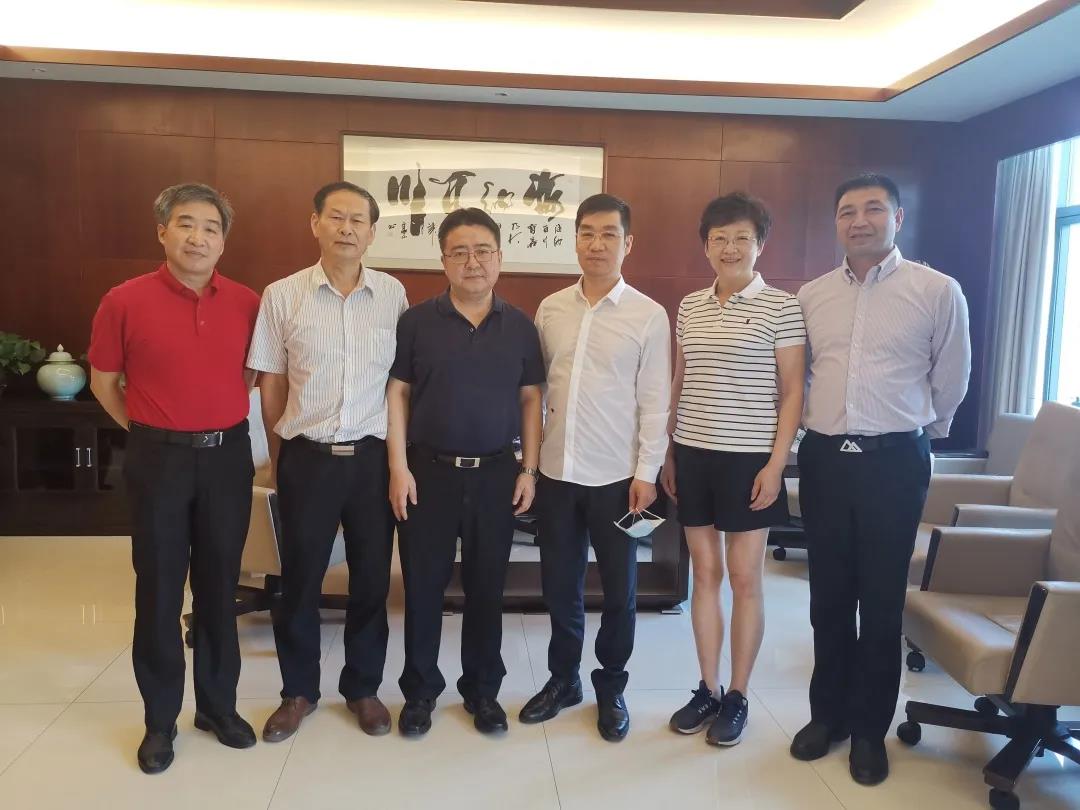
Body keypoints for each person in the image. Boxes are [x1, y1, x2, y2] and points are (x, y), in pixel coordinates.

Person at [789, 173, 971, 785]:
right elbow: (801, 376)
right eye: (847, 211)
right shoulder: (811, 296)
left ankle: (870, 730)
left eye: (873, 209)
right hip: (824, 460)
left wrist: (916, 432)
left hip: (894, 461)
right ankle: (828, 716)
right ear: (835, 222)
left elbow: (952, 377)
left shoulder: (936, 290)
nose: (859, 220)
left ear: (898, 218)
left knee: (882, 600)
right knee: (828, 599)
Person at [88, 183, 261, 774]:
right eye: (186, 224)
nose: (198, 237)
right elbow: (104, 382)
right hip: (157, 459)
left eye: (211, 228)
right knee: (159, 588)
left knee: (219, 585)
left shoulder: (247, 302)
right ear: (163, 231)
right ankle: (160, 721)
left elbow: (250, 377)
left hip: (226, 457)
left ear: (224, 241)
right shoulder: (123, 300)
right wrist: (148, 428)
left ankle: (217, 707)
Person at [247, 181, 406, 742]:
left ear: (372, 232)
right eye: (336, 217)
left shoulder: (392, 295)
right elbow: (272, 382)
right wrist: (277, 457)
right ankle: (298, 692)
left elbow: (399, 386)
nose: (347, 228)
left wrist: (397, 462)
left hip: (372, 460)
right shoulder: (282, 295)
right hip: (307, 458)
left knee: (371, 580)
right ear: (314, 223)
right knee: (299, 580)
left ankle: (363, 688)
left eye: (358, 220)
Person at [386, 207, 544, 737]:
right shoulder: (416, 322)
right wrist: (398, 466)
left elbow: (531, 399)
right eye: (460, 252)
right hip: (428, 473)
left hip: (497, 473)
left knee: (486, 588)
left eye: (482, 251)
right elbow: (398, 393)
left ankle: (482, 691)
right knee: (423, 588)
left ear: (500, 257)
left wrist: (529, 469)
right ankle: (419, 693)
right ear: (443, 261)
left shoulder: (520, 326)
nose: (472, 262)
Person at [520, 193, 671, 742]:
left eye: (609, 234)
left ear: (628, 243)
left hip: (619, 481)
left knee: (619, 589)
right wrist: (529, 465)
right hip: (558, 474)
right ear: (575, 239)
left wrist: (647, 473)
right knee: (560, 585)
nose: (597, 244)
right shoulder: (551, 309)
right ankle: (564, 680)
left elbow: (655, 401)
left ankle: (611, 685)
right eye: (587, 232)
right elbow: (535, 391)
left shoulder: (649, 315)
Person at [663, 193, 805, 746]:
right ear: (706, 246)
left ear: (760, 244)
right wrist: (669, 450)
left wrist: (776, 464)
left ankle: (739, 694)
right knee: (704, 574)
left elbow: (792, 392)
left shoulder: (781, 307)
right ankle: (708, 686)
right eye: (719, 238)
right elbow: (680, 379)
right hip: (693, 452)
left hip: (749, 459)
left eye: (741, 238)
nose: (730, 248)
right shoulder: (690, 306)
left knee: (745, 578)